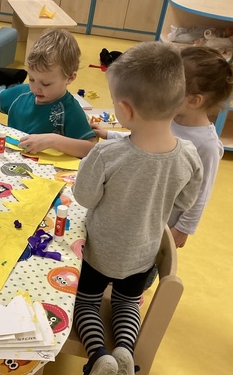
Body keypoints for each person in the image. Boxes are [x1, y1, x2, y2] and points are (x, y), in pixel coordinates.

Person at [71, 42, 202, 375]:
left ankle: (99, 355)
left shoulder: (107, 153)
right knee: (128, 303)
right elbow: (185, 202)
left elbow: (84, 198)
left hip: (99, 253)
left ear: (125, 110)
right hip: (143, 256)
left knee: (86, 303)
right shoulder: (189, 155)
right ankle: (125, 350)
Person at [92, 46, 233, 249]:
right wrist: (110, 135)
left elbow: (201, 194)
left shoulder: (207, 145)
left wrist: (183, 229)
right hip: (144, 204)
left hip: (165, 220)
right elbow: (145, 137)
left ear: (194, 100)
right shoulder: (169, 116)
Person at [0, 28, 97, 158]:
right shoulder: (22, 93)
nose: (36, 88)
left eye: (46, 84)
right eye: (32, 79)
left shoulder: (70, 109)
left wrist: (54, 140)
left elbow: (91, 149)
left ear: (70, 78)